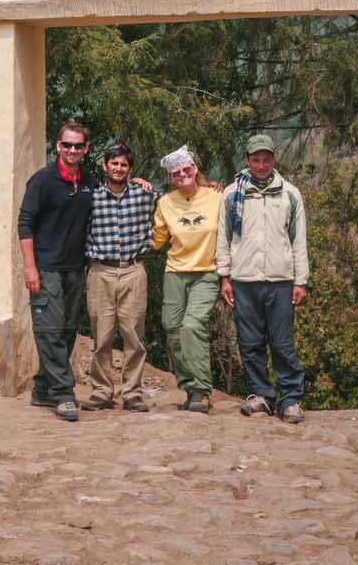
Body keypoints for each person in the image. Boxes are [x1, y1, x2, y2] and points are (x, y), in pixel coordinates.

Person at [216, 134, 309, 424]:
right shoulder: (233, 194)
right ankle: (262, 396)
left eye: (266, 159)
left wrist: (301, 281)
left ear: (273, 160)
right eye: (255, 159)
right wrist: (225, 277)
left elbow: (298, 240)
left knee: (282, 343)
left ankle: (291, 398)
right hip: (244, 280)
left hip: (281, 280)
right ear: (247, 160)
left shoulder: (289, 194)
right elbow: (223, 237)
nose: (261, 165)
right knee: (250, 342)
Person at [18, 120, 102, 422]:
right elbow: (25, 224)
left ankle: (42, 388)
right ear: (58, 146)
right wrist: (30, 268)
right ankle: (64, 394)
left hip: (74, 269)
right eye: (67, 144)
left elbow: (116, 194)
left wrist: (141, 183)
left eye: (78, 145)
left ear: (85, 149)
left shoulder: (90, 183)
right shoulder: (42, 181)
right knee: (49, 331)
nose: (72, 150)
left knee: (66, 332)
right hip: (46, 267)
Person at [80, 141, 155, 413]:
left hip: (134, 270)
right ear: (105, 166)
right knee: (102, 334)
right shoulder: (93, 196)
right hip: (100, 271)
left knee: (133, 334)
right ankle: (102, 391)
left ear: (130, 169)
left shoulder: (144, 194)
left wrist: (213, 187)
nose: (119, 168)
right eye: (114, 163)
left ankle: (132, 392)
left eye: (124, 164)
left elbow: (182, 194)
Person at [151, 145, 222, 413]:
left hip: (206, 272)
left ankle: (202, 391)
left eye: (186, 169)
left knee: (191, 326)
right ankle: (190, 388)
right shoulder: (166, 203)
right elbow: (157, 240)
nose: (182, 175)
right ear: (171, 177)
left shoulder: (216, 197)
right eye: (175, 173)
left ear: (194, 169)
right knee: (173, 328)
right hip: (175, 271)